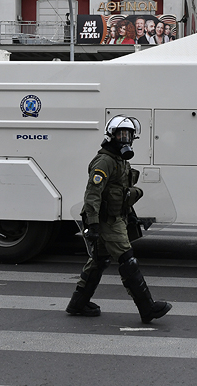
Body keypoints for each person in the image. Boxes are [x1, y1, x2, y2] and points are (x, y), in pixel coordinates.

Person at [66, 115, 172, 324]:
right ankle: (147, 308)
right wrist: (94, 224)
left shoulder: (120, 160)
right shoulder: (105, 161)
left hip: (116, 217)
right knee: (127, 259)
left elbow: (120, 192)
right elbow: (92, 194)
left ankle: (78, 303)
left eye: (129, 135)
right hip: (108, 221)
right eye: (121, 134)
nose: (125, 139)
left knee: (99, 260)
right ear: (111, 135)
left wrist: (131, 214)